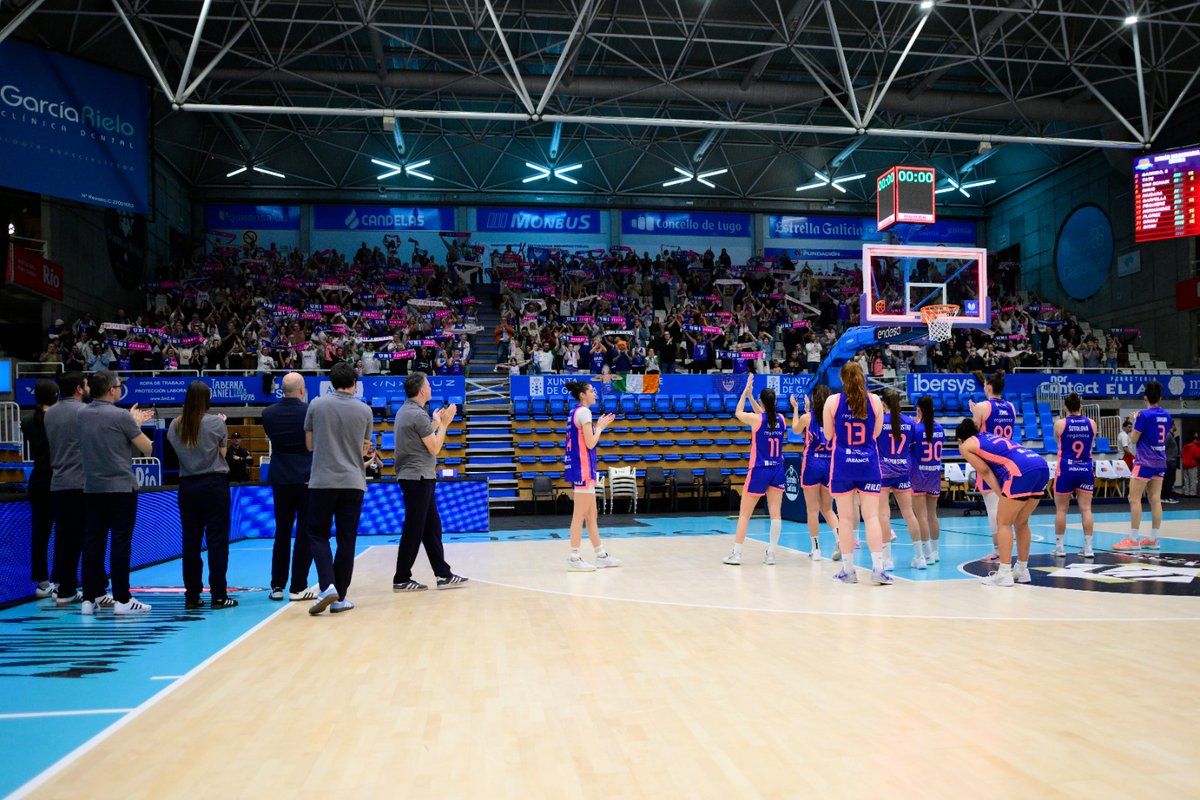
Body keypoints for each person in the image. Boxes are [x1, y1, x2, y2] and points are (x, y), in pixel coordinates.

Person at [78, 370, 156, 614]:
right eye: (119, 385)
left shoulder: (81, 414)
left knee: (93, 543)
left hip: (92, 488)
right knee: (120, 543)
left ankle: (89, 599)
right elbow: (147, 448)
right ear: (112, 390)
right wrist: (136, 424)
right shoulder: (121, 416)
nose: (121, 388)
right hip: (121, 488)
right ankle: (123, 600)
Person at [305, 363, 375, 615]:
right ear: (354, 383)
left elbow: (310, 445)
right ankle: (339, 597)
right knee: (347, 539)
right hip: (353, 481)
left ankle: (327, 585)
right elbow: (364, 448)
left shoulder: (316, 405)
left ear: (331, 383)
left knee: (317, 534)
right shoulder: (365, 410)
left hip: (323, 480)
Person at [391, 371, 468, 592]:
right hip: (418, 477)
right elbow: (434, 447)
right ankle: (401, 577)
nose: (431, 388)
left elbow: (421, 436)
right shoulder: (417, 415)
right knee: (414, 528)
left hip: (417, 476)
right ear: (423, 390)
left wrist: (435, 422)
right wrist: (444, 424)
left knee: (431, 527)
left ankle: (443, 574)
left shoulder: (408, 411)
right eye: (429, 385)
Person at [167, 381, 237, 609]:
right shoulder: (216, 422)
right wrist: (222, 425)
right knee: (217, 542)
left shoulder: (175, 425)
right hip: (213, 485)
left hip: (187, 486)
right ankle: (218, 594)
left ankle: (192, 596)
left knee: (191, 543)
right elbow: (223, 453)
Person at [956, 419, 1050, 586]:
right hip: (1040, 465)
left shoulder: (965, 445)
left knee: (1003, 522)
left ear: (960, 439)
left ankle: (1004, 573)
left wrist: (1000, 493)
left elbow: (984, 470)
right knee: (1021, 521)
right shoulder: (986, 436)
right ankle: (1022, 570)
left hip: (1021, 469)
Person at [823, 360, 889, 585]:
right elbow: (877, 433)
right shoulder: (875, 400)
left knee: (847, 518)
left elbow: (829, 436)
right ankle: (878, 569)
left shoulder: (832, 401)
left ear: (842, 379)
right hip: (868, 463)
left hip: (842, 464)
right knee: (871, 517)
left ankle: (848, 570)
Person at [261, 372, 317, 602]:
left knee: (281, 533)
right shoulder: (309, 412)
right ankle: (298, 587)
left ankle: (277, 586)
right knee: (305, 533)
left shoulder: (268, 414)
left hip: (281, 478)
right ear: (302, 389)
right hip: (306, 477)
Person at [722, 375, 786, 565]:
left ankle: (737, 553)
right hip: (777, 469)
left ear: (761, 402)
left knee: (745, 514)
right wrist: (752, 397)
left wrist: (744, 393)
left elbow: (738, 412)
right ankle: (771, 553)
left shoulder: (756, 420)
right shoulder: (781, 419)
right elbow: (766, 415)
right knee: (776, 514)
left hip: (759, 469)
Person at [562, 380, 622, 571]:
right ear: (582, 395)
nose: (595, 394)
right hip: (583, 468)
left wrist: (597, 426)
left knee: (591, 515)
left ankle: (600, 554)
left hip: (581, 468)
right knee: (579, 514)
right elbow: (590, 443)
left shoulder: (575, 412)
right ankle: (574, 557)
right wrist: (601, 427)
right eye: (591, 391)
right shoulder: (584, 412)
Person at [45, 373, 89, 606]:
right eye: (86, 384)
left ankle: (60, 587)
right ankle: (73, 589)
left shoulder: (50, 414)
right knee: (82, 538)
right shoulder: (83, 412)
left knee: (63, 538)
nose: (88, 386)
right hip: (80, 483)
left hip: (58, 483)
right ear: (79, 389)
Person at [1116, 380, 1171, 552]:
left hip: (1144, 461)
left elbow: (1133, 439)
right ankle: (1154, 539)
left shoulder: (1143, 415)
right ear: (1160, 397)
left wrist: (1136, 420)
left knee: (1134, 499)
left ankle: (1133, 539)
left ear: (1145, 397)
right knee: (1155, 499)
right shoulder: (1167, 415)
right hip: (1160, 460)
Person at [969, 371, 1016, 563]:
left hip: (989, 463)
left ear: (988, 387)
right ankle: (1005, 550)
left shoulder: (982, 407)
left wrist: (974, 413)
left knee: (994, 511)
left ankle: (998, 551)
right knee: (1008, 509)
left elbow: (973, 434)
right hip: (1008, 461)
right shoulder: (1012, 407)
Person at [877, 389, 925, 569]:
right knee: (909, 514)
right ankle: (920, 558)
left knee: (883, 514)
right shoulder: (910, 423)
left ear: (884, 405)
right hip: (903, 471)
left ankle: (887, 560)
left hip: (883, 473)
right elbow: (912, 448)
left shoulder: (880, 422)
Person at [791, 386, 837, 561]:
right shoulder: (834, 418)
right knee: (827, 508)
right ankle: (840, 539)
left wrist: (796, 408)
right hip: (829, 463)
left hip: (812, 463)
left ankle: (816, 549)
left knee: (812, 509)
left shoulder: (807, 417)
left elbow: (795, 429)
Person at [22, 379, 58, 598]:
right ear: (55, 396)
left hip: (38, 481)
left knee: (40, 533)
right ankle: (62, 580)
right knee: (66, 532)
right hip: (58, 479)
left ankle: (43, 582)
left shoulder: (28, 421)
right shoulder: (58, 420)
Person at [1052, 392, 1096, 559]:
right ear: (1081, 407)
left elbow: (1059, 441)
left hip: (1066, 469)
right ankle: (1089, 548)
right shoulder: (1091, 423)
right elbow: (1091, 442)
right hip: (1085, 468)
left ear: (1065, 408)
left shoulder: (1060, 424)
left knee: (1061, 509)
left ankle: (1060, 547)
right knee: (1086, 509)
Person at [909, 395, 944, 565]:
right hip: (934, 474)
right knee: (932, 515)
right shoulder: (940, 429)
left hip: (918, 476)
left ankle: (927, 554)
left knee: (920, 516)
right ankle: (935, 552)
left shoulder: (916, 429)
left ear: (919, 409)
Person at [1162, 421, 1180, 504]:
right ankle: (1166, 497)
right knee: (1169, 480)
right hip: (1169, 461)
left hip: (1171, 460)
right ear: (1172, 425)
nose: (1176, 426)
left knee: (1170, 480)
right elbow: (1163, 447)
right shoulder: (1168, 435)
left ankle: (1166, 496)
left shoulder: (1170, 436)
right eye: (1175, 424)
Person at [1183, 433, 1200, 497]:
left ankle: (1186, 492)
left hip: (1185, 465)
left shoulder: (1184, 447)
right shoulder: (1194, 446)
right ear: (1193, 440)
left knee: (1186, 480)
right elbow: (1197, 456)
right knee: (1193, 480)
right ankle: (1192, 493)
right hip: (1192, 465)